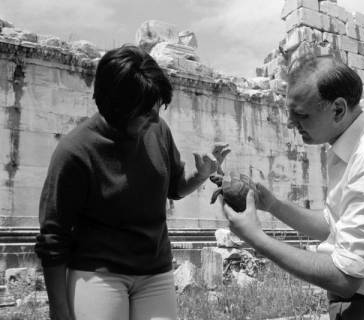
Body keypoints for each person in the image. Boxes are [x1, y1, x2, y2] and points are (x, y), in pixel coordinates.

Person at [222, 55, 364, 320]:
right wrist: (273, 205)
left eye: (301, 114)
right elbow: (334, 225)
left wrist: (256, 238)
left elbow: (344, 276)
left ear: (338, 109)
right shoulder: (347, 151)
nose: (290, 123)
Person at [35, 45, 230, 320]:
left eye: (156, 109)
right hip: (98, 273)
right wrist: (60, 311)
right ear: (117, 109)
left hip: (155, 270)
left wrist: (199, 176)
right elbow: (53, 238)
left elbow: (174, 187)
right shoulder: (75, 151)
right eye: (145, 112)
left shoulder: (158, 130)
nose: (155, 119)